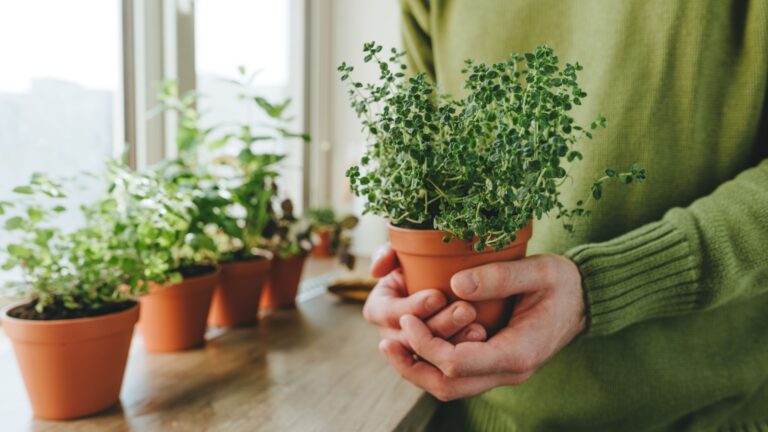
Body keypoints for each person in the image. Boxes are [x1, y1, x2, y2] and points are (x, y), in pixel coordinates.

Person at [362, 1, 768, 430]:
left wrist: (600, 286)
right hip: (475, 417)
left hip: (706, 413)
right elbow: (416, 162)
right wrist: (408, 295)